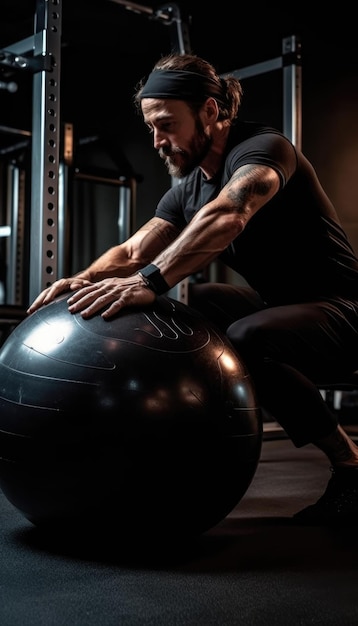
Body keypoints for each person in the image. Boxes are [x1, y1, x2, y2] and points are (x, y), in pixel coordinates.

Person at [27, 52, 358, 525]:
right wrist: (82, 280)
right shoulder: (188, 187)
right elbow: (135, 249)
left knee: (247, 335)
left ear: (209, 110)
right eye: (151, 129)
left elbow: (229, 213)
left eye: (166, 124)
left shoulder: (263, 149)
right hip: (281, 306)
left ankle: (350, 462)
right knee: (189, 306)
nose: (159, 141)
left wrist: (149, 281)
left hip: (344, 310)